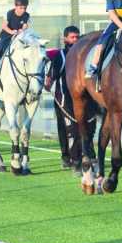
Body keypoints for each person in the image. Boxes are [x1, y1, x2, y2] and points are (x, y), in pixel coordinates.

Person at [46, 25, 80, 168]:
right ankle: (67, 157)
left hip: (79, 98)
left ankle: (81, 156)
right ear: (65, 38)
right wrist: (48, 84)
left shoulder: (82, 54)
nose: (75, 40)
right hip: (63, 99)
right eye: (72, 37)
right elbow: (51, 78)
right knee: (65, 128)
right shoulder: (60, 56)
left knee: (80, 128)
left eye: (77, 37)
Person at [0, 0, 30, 74]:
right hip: (6, 34)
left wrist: (21, 30)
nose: (23, 10)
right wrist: (12, 32)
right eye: (21, 8)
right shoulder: (9, 13)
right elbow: (4, 26)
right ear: (15, 6)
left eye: (25, 8)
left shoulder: (26, 15)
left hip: (18, 35)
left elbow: (25, 26)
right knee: (0, 45)